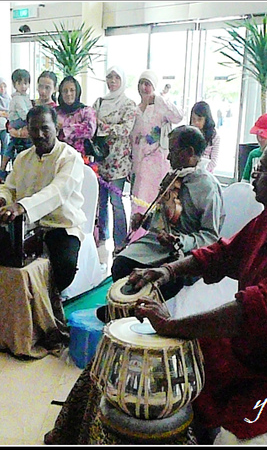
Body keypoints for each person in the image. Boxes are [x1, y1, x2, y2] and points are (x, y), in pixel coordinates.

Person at [129, 133, 267, 445]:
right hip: (254, 350)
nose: (253, 174)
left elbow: (249, 312)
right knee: (171, 369)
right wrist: (165, 271)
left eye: (262, 169)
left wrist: (172, 326)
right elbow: (221, 255)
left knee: (231, 438)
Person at [0, 105, 86, 338]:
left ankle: (46, 318)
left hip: (62, 226)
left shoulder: (70, 158)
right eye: (34, 129)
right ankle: (12, 315)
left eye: (45, 128)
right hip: (27, 226)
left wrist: (22, 206)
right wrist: (1, 199)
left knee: (64, 267)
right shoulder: (22, 158)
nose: (39, 134)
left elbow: (58, 192)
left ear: (56, 128)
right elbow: (10, 188)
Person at [107, 125, 224, 310]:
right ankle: (128, 308)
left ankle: (142, 313)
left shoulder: (207, 186)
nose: (168, 157)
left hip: (186, 252)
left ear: (189, 152)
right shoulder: (173, 177)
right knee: (121, 264)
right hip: (157, 245)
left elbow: (211, 236)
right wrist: (145, 221)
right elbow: (164, 218)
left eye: (173, 151)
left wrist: (180, 241)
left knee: (171, 278)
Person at [91, 65, 137, 252]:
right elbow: (92, 124)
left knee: (116, 203)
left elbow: (126, 129)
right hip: (101, 159)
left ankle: (120, 242)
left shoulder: (128, 104)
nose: (112, 82)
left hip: (119, 161)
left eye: (116, 78)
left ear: (122, 81)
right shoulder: (100, 102)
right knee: (100, 202)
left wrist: (105, 127)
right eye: (109, 78)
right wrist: (108, 127)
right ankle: (103, 237)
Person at [130, 69, 184, 217]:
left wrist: (160, 99)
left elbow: (179, 116)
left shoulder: (161, 107)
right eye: (141, 83)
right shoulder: (135, 110)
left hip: (158, 165)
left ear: (153, 87)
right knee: (138, 203)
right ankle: (136, 236)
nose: (143, 88)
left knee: (156, 203)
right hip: (139, 165)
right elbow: (132, 140)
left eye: (147, 84)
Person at [0, 68, 34, 178]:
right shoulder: (17, 98)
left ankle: (3, 168)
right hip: (18, 122)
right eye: (20, 83)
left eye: (25, 83)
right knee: (13, 143)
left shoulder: (25, 97)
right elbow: (24, 113)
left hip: (21, 120)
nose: (23, 86)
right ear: (14, 84)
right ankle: (2, 169)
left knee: (13, 143)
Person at [56, 75, 97, 163]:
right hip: (58, 158)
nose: (68, 94)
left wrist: (64, 128)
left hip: (81, 159)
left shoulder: (86, 111)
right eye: (65, 91)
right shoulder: (55, 112)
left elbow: (89, 130)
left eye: (72, 90)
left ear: (77, 92)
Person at [241, 112, 267, 182]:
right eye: (258, 135)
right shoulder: (253, 155)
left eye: (264, 136)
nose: (260, 139)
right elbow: (245, 181)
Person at [190, 101, 220, 173]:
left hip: (205, 173)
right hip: (190, 172)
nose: (196, 123)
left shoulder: (214, 136)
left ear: (206, 119)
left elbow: (213, 161)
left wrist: (202, 172)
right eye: (193, 119)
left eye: (199, 119)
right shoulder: (189, 133)